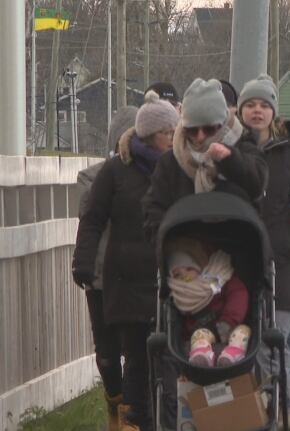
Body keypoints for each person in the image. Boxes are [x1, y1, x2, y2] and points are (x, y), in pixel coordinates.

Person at [72, 91, 179, 431]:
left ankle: (169, 420)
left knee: (167, 360)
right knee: (135, 359)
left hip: (170, 278)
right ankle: (136, 423)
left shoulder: (178, 168)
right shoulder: (117, 171)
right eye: (168, 132)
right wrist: (84, 262)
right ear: (150, 134)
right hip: (127, 280)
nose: (174, 138)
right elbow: (93, 216)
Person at [236, 74, 290, 413]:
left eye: (264, 105)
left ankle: (280, 404)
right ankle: (253, 407)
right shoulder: (231, 149)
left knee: (278, 337)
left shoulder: (288, 153)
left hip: (280, 257)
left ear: (273, 112)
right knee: (245, 339)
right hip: (240, 258)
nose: (257, 111)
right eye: (250, 105)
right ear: (241, 110)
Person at [142, 78, 268, 246]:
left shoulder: (244, 146)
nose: (200, 137)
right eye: (192, 130)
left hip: (238, 251)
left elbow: (258, 183)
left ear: (222, 124)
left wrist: (230, 160)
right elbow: (153, 209)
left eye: (208, 129)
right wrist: (168, 241)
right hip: (185, 256)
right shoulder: (170, 161)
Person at [74, 105, 138, 431]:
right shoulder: (93, 177)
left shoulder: (148, 175)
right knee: (107, 355)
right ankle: (114, 399)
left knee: (135, 351)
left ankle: (129, 413)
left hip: (132, 280)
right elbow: (92, 209)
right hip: (99, 280)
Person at [165, 236, 251, 367]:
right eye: (177, 275)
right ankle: (202, 355)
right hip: (203, 330)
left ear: (199, 267)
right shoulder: (182, 297)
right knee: (199, 335)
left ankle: (232, 354)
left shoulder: (218, 282)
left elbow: (238, 295)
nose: (184, 276)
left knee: (242, 332)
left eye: (189, 269)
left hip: (230, 325)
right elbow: (181, 326)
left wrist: (229, 320)